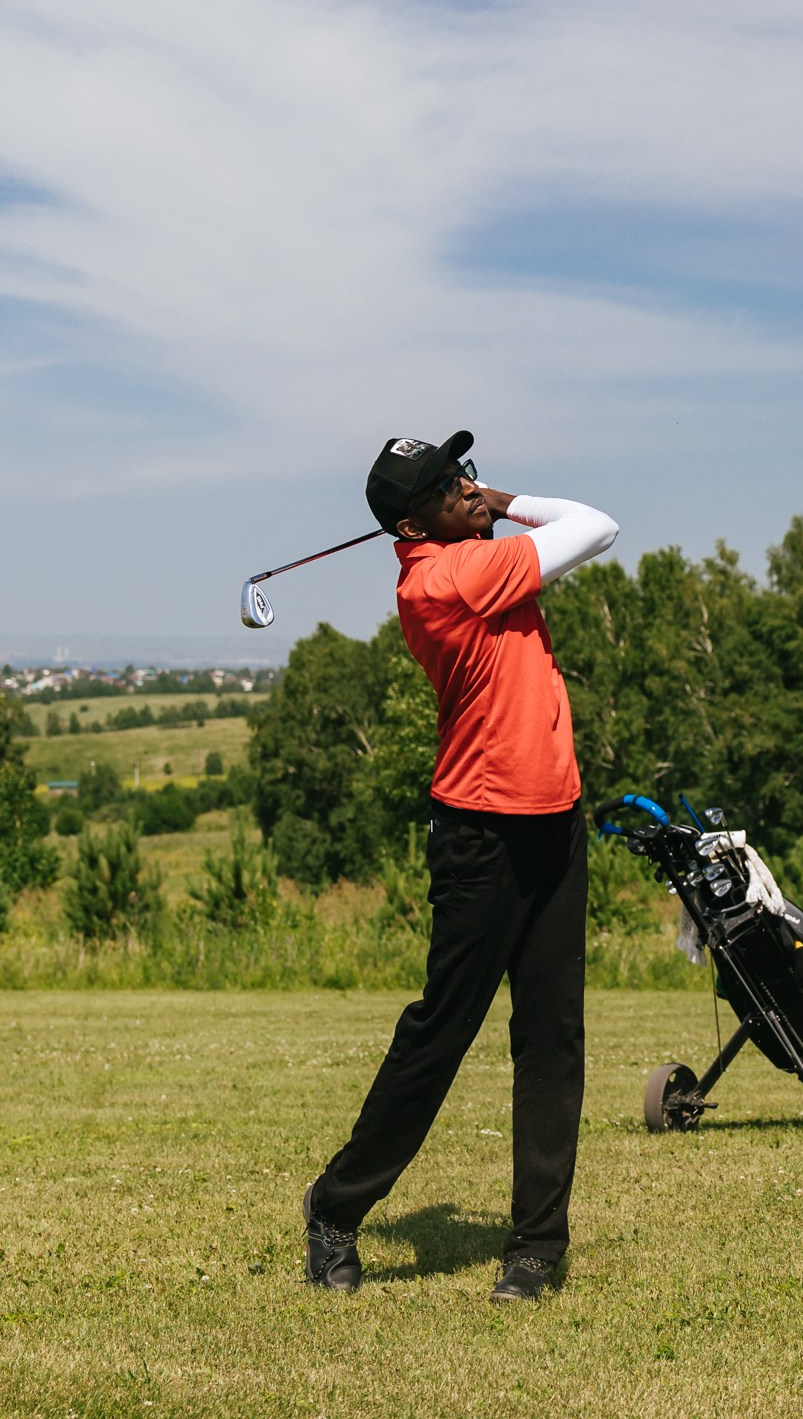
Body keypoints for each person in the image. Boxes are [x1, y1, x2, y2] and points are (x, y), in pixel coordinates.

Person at [302, 431, 618, 1303]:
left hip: (555, 823)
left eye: (466, 470)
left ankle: (536, 1246)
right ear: (412, 523)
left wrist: (478, 505)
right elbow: (598, 524)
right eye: (447, 485)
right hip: (482, 836)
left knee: (552, 1037)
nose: (468, 487)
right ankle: (334, 1209)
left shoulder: (464, 550)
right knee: (441, 1032)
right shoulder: (445, 579)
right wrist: (509, 502)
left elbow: (585, 526)